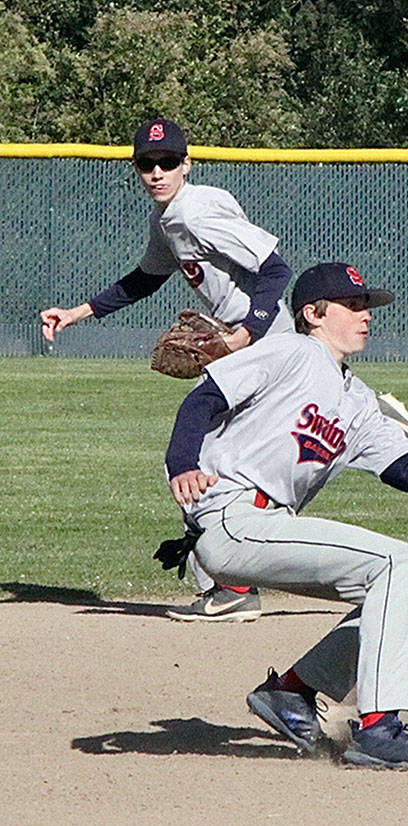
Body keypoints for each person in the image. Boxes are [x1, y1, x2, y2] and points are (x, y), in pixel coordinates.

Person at [166, 261, 408, 769]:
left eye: (367, 306)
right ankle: (379, 728)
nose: (365, 315)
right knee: (396, 559)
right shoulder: (292, 350)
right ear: (313, 313)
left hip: (270, 526)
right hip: (231, 516)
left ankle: (294, 691)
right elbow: (202, 400)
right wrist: (183, 465)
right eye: (352, 305)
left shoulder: (357, 401)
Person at [40, 117, 294, 623]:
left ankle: (233, 584)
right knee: (210, 459)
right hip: (244, 346)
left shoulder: (195, 211)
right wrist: (77, 313)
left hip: (261, 345)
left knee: (192, 456)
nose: (157, 172)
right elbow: (145, 279)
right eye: (147, 164)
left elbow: (276, 268)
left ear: (187, 164)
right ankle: (231, 576)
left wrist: (249, 331)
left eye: (168, 162)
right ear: (136, 168)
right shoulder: (169, 220)